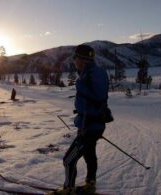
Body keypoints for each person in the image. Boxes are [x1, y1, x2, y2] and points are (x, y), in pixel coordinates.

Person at [51, 45, 109, 195]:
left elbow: (97, 97)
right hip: (93, 124)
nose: (74, 61)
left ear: (82, 60)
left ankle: (68, 190)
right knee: (90, 155)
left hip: (89, 126)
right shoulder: (93, 74)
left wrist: (81, 85)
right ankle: (90, 185)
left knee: (68, 160)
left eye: (75, 58)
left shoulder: (91, 76)